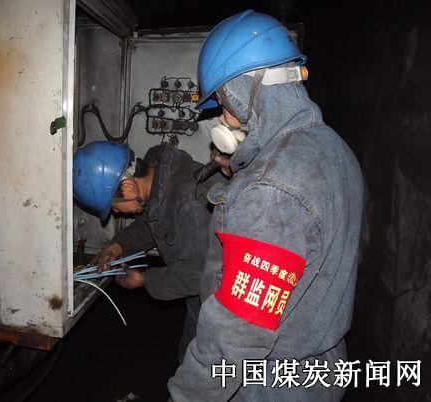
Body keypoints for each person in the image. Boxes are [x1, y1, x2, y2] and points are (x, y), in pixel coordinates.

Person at [168, 9, 364, 401]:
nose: (226, 119)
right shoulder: (335, 149)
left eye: (225, 102)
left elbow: (234, 336)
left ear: (246, 91)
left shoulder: (270, 190)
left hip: (270, 384)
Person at [73, 140, 222, 362]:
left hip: (223, 301)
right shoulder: (162, 181)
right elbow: (155, 222)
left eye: (113, 206)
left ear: (128, 187)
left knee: (204, 366)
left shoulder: (188, 204)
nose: (116, 213)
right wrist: (117, 246)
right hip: (204, 297)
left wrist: (145, 280)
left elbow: (196, 274)